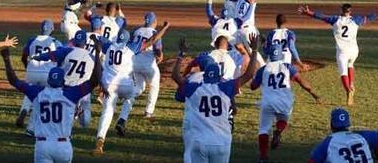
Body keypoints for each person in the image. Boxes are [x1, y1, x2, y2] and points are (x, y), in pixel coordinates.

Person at [0, 35, 101, 163]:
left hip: (42, 146)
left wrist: (7, 60)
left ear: (48, 80)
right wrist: (97, 52)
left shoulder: (37, 92)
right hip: (63, 146)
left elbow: (13, 81)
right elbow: (94, 81)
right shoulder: (71, 94)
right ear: (63, 81)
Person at [171, 34, 260, 163]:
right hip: (221, 142)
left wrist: (181, 54)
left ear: (204, 75)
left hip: (199, 141)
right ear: (219, 75)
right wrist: (255, 50)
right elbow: (249, 74)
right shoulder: (226, 87)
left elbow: (175, 76)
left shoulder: (194, 88)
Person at [93, 24, 169, 155]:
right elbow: (153, 39)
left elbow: (98, 41)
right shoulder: (131, 47)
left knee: (107, 111)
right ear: (127, 40)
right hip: (126, 85)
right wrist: (165, 28)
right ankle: (122, 119)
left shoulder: (109, 46)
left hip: (109, 85)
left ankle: (100, 139)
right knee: (132, 96)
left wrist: (95, 40)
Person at [298, 3, 378, 105]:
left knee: (343, 73)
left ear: (342, 10)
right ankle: (351, 83)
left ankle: (349, 91)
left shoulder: (335, 19)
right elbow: (369, 18)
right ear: (350, 11)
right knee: (350, 64)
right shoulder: (356, 20)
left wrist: (308, 13)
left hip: (342, 52)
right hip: (354, 51)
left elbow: (322, 16)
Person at [251, 44, 321, 162]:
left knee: (263, 129)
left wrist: (256, 78)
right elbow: (301, 80)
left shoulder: (263, 69)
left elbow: (253, 87)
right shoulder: (288, 66)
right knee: (283, 118)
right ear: (281, 55)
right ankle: (278, 131)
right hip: (284, 101)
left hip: (267, 101)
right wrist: (313, 93)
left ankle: (263, 157)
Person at [33, 30, 96, 127]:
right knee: (85, 122)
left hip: (67, 89)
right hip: (83, 90)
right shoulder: (91, 56)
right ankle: (80, 112)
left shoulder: (67, 50)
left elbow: (50, 55)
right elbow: (99, 73)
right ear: (85, 42)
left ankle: (72, 116)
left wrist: (38, 57)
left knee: (62, 113)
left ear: (74, 41)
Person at [17, 20, 62, 135]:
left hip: (32, 70)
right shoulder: (56, 42)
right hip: (47, 73)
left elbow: (24, 56)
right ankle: (31, 128)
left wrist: (28, 67)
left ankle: (24, 110)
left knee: (29, 93)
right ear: (52, 30)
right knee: (41, 100)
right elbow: (61, 59)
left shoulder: (32, 40)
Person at [309, 108, 378, 163]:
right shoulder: (360, 137)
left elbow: (312, 161)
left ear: (331, 124)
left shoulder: (328, 142)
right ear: (348, 123)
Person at [132, 12, 169, 118]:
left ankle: (124, 97)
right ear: (155, 21)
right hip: (148, 64)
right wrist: (160, 56)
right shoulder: (154, 32)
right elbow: (157, 49)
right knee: (154, 86)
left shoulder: (136, 31)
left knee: (139, 88)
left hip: (135, 63)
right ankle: (149, 112)